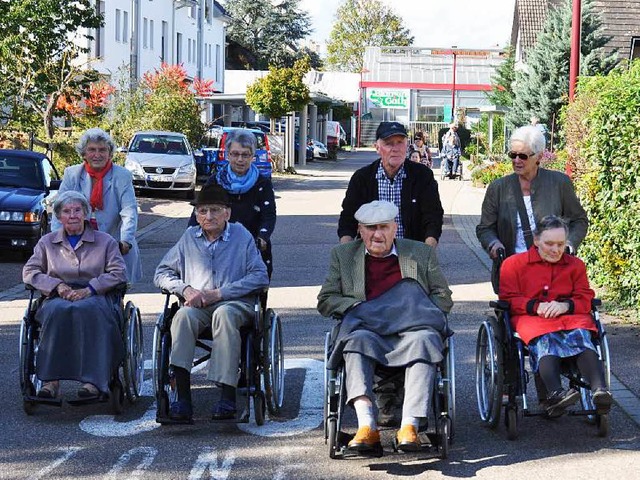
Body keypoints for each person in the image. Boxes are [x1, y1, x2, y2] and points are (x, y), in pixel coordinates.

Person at [318, 200, 453, 453]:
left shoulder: (420, 253)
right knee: (356, 341)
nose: (377, 234)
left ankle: (410, 426)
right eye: (370, 228)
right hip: (367, 328)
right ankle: (367, 425)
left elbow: (442, 296)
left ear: (395, 228)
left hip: (412, 328)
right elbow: (326, 300)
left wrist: (418, 311)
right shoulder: (344, 255)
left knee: (426, 339)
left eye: (383, 227)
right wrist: (359, 308)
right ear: (360, 230)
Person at [154, 183, 269, 423]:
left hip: (235, 304)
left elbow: (260, 276)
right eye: (203, 211)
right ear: (196, 215)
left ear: (227, 212)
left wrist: (220, 293)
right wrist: (185, 289)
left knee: (224, 315)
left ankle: (227, 395)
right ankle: (182, 399)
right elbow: (161, 273)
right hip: (198, 306)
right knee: (182, 317)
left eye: (215, 210)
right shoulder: (188, 237)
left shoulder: (241, 236)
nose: (209, 216)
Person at [499, 215, 612, 417]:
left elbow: (585, 296)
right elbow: (507, 298)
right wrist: (535, 306)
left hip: (569, 316)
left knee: (582, 338)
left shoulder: (575, 265)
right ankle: (555, 393)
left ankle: (599, 391)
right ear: (536, 241)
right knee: (545, 341)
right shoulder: (513, 264)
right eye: (549, 244)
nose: (555, 250)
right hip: (533, 318)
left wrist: (565, 305)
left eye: (560, 244)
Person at [23, 191, 128, 399]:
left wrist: (90, 288)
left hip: (95, 294)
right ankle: (50, 381)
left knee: (90, 311)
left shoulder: (105, 241)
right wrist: (57, 285)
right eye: (66, 211)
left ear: (86, 214)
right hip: (57, 295)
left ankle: (93, 381)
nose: (72, 215)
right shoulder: (47, 242)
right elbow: (29, 272)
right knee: (55, 312)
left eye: (77, 210)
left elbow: (119, 273)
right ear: (59, 217)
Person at [476, 124, 588, 292]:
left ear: (539, 156)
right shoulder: (498, 188)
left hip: (553, 272)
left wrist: (568, 244)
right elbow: (485, 228)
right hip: (513, 271)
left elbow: (579, 220)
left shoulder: (559, 183)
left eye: (523, 156)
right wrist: (494, 244)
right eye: (512, 155)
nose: (516, 160)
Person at [53, 127, 142, 283]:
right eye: (92, 150)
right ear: (84, 153)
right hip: (78, 239)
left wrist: (126, 240)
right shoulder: (72, 174)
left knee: (112, 289)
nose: (97, 154)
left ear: (110, 153)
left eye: (102, 150)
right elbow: (59, 210)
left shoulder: (122, 176)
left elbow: (129, 211)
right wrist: (56, 238)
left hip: (112, 239)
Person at [338, 121, 443, 248]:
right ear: (377, 147)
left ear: (406, 146)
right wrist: (346, 254)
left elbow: (433, 216)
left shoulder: (422, 176)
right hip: (372, 256)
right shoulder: (362, 178)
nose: (396, 149)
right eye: (389, 143)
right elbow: (348, 218)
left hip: (412, 253)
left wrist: (427, 252)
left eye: (400, 142)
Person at [188, 129, 276, 278]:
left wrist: (262, 238)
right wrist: (190, 237)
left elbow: (269, 216)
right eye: (235, 154)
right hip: (218, 248)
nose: (240, 159)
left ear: (252, 156)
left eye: (245, 154)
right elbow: (199, 213)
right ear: (228, 155)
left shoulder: (262, 183)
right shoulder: (215, 181)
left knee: (254, 292)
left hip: (251, 249)